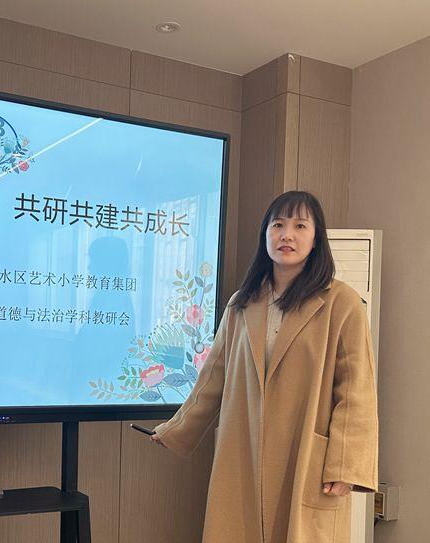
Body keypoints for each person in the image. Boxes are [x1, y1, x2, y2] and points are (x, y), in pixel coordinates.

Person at [151, 191, 378, 543]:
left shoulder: (341, 302)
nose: (287, 235)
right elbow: (214, 377)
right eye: (278, 225)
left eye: (300, 226)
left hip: (305, 455)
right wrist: (176, 430)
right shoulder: (241, 304)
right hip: (244, 451)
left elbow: (356, 389)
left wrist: (346, 463)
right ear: (265, 235)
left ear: (316, 238)